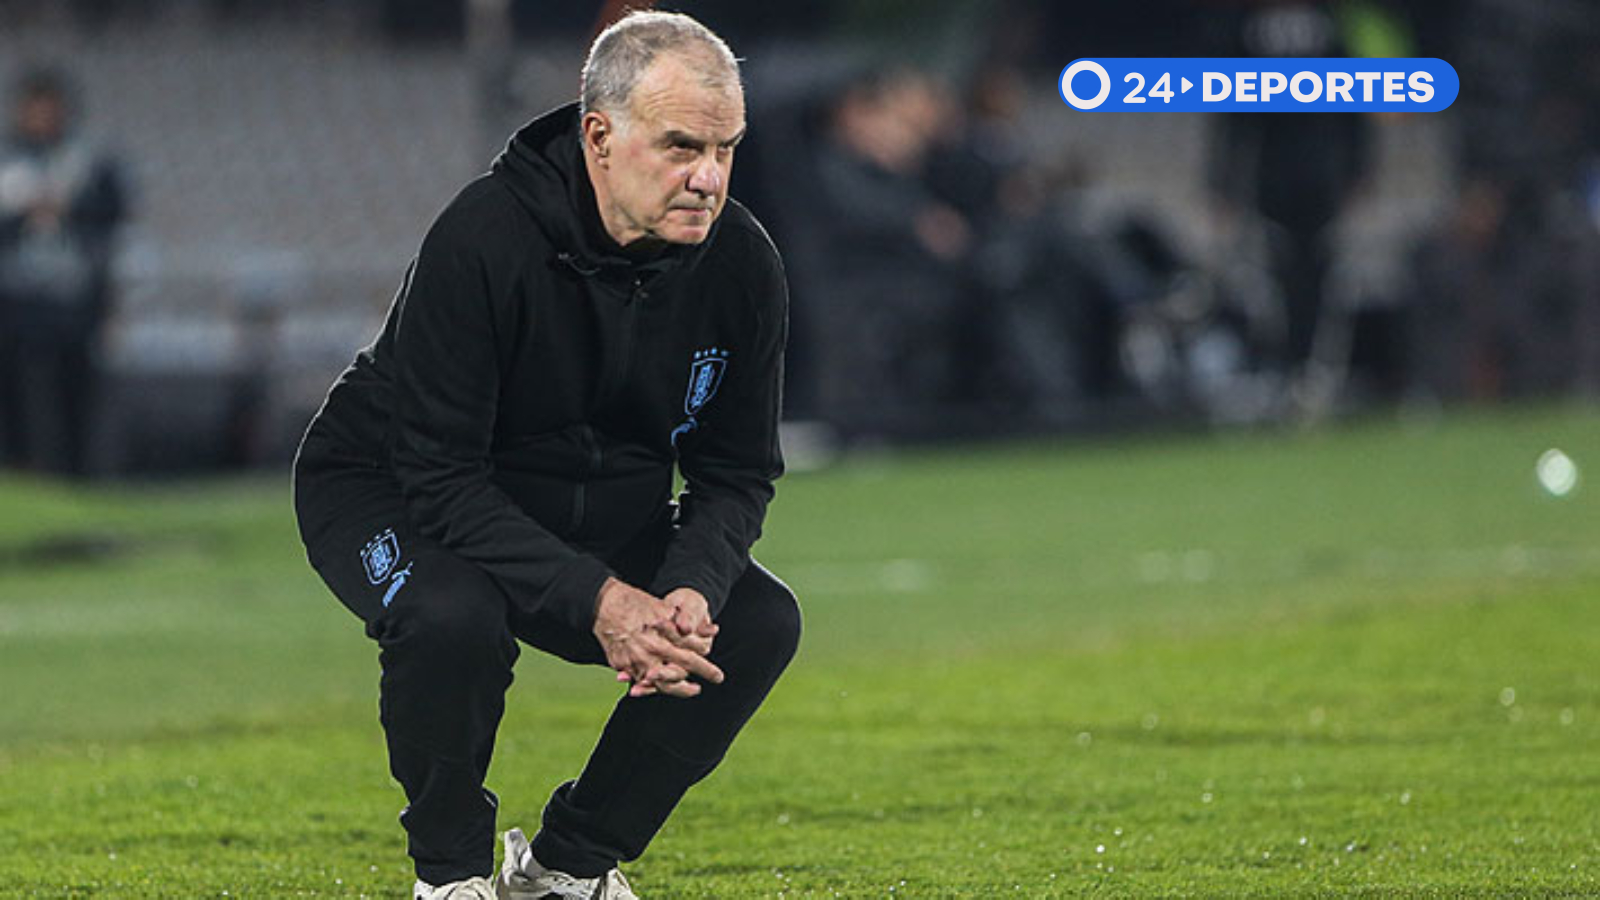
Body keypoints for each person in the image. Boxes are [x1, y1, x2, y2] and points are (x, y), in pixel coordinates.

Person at [291, 12, 799, 899]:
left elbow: (738, 471)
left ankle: (566, 869)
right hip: (391, 487)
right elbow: (442, 479)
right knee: (453, 617)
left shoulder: (743, 265)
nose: (707, 178)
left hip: (588, 506)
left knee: (754, 623)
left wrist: (690, 587)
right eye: (681, 147)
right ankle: (449, 879)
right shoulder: (484, 239)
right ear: (599, 136)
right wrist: (600, 600)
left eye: (726, 149)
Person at [0, 66, 127, 475]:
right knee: (14, 400)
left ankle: (76, 479)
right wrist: (23, 213)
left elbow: (113, 216)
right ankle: (17, 477)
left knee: (75, 400)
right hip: (15, 302)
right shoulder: (8, 162)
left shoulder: (87, 162)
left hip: (71, 301)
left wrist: (66, 209)